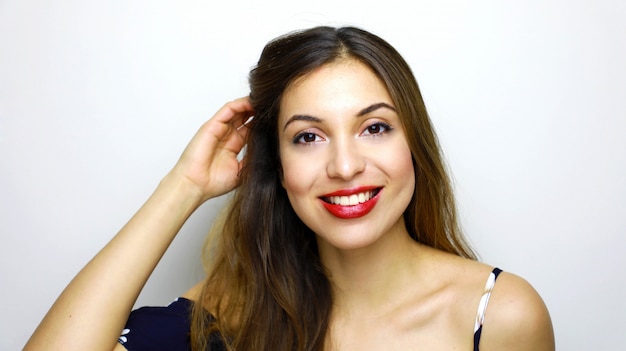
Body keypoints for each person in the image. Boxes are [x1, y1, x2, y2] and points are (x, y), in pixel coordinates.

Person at [24, 26, 554, 351]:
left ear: (413, 144)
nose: (345, 166)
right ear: (275, 165)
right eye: (308, 136)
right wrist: (182, 187)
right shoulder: (227, 319)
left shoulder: (498, 314)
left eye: (375, 127)